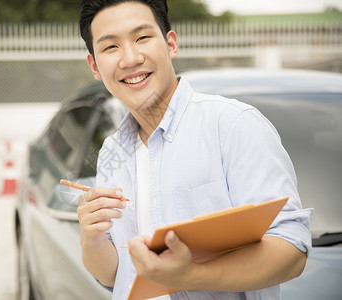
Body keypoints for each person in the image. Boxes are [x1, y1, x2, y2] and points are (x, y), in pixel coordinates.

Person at [77, 1, 313, 299]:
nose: (130, 58)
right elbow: (115, 276)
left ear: (171, 44)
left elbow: (292, 250)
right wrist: (92, 238)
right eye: (111, 47)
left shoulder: (232, 126)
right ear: (95, 66)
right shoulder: (113, 151)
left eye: (142, 38)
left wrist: (193, 275)